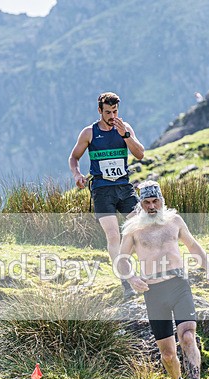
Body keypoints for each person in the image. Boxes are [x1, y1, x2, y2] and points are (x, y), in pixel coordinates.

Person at [116, 181, 209, 379]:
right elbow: (122, 260)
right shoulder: (133, 229)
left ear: (162, 201)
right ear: (141, 204)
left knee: (188, 336)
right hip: (153, 292)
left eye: (156, 201)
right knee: (167, 354)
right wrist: (132, 278)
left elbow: (193, 246)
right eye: (147, 202)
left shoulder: (174, 221)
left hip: (179, 285)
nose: (152, 206)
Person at [69, 92, 145, 299]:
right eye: (108, 112)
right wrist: (77, 174)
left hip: (124, 187)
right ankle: (127, 279)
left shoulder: (125, 128)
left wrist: (126, 136)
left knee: (141, 229)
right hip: (101, 190)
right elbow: (74, 157)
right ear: (100, 111)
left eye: (115, 111)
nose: (113, 116)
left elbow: (140, 154)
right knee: (113, 235)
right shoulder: (89, 133)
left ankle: (147, 270)